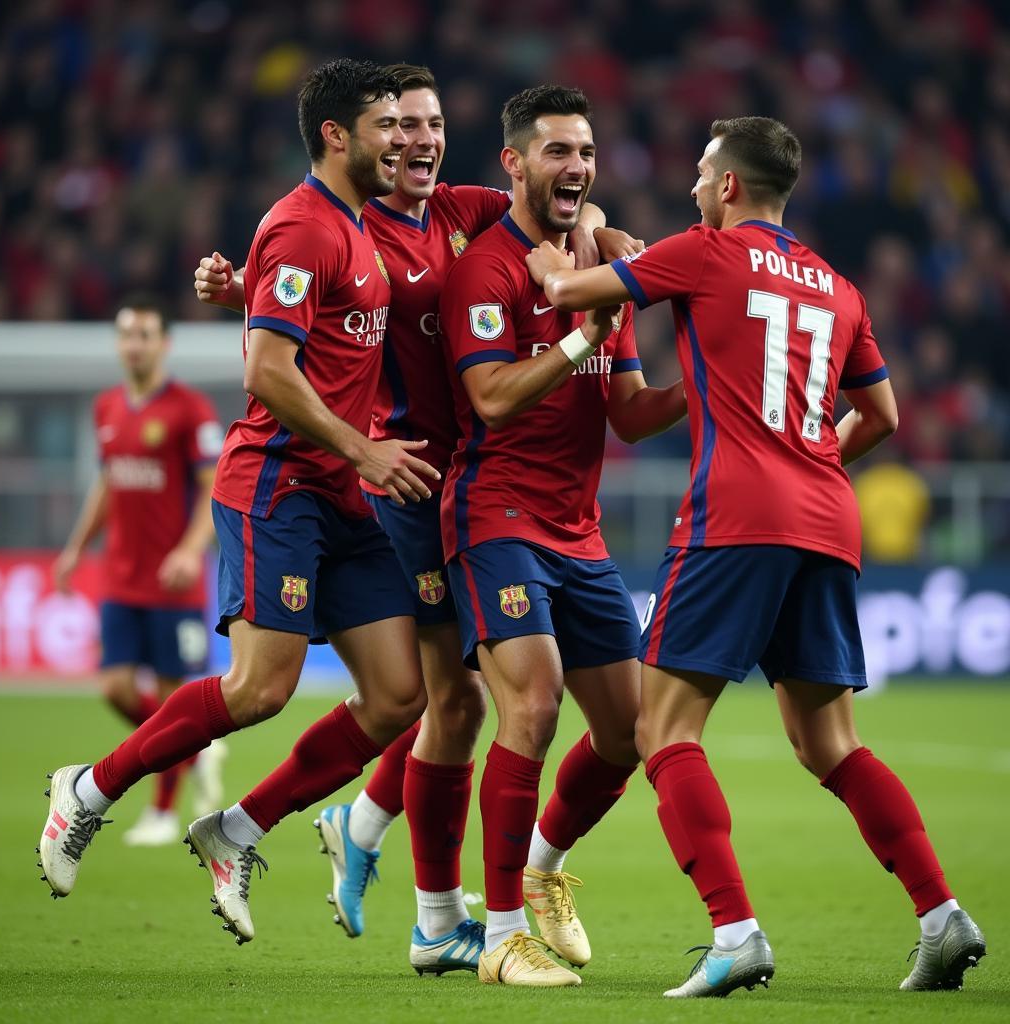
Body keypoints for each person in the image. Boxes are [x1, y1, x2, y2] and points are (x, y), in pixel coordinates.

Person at [193, 64, 641, 975]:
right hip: (408, 479)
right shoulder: (351, 224)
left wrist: (601, 235)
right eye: (397, 126)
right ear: (364, 140)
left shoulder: (457, 214)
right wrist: (246, 282)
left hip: (454, 475)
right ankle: (433, 910)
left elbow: (569, 210)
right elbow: (310, 292)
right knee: (460, 699)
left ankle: (361, 834)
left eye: (429, 124)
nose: (413, 140)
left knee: (459, 701)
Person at [525, 115, 986, 997]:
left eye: (703, 173)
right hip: (828, 518)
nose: (697, 187)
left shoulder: (704, 252)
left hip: (735, 517)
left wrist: (577, 249)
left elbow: (562, 293)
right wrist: (810, 466)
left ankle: (734, 931)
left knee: (661, 729)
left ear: (729, 185)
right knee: (831, 744)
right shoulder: (841, 287)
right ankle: (939, 914)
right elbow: (882, 416)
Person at [38, 59, 443, 948]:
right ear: (339, 136)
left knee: (396, 697)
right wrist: (365, 446)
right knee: (262, 689)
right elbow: (268, 370)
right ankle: (89, 790)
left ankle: (236, 830)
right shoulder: (303, 225)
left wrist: (246, 295)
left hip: (345, 496)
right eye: (387, 125)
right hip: (280, 486)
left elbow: (317, 334)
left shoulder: (355, 226)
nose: (404, 140)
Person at [439, 85, 686, 987]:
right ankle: (501, 934)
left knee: (630, 732)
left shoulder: (597, 260)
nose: (576, 165)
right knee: (533, 707)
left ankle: (539, 871)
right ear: (514, 162)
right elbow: (493, 398)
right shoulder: (487, 270)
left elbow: (629, 413)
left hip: (576, 531)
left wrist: (709, 382)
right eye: (556, 151)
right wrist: (586, 335)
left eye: (584, 149)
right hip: (494, 513)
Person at [53, 295, 225, 846]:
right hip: (121, 577)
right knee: (116, 688)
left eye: (145, 334)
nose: (134, 344)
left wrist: (189, 549)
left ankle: (162, 812)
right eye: (127, 334)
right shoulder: (106, 408)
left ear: (163, 343)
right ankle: (193, 750)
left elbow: (211, 492)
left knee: (175, 697)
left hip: (172, 581)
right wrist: (77, 547)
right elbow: (107, 484)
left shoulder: (189, 410)